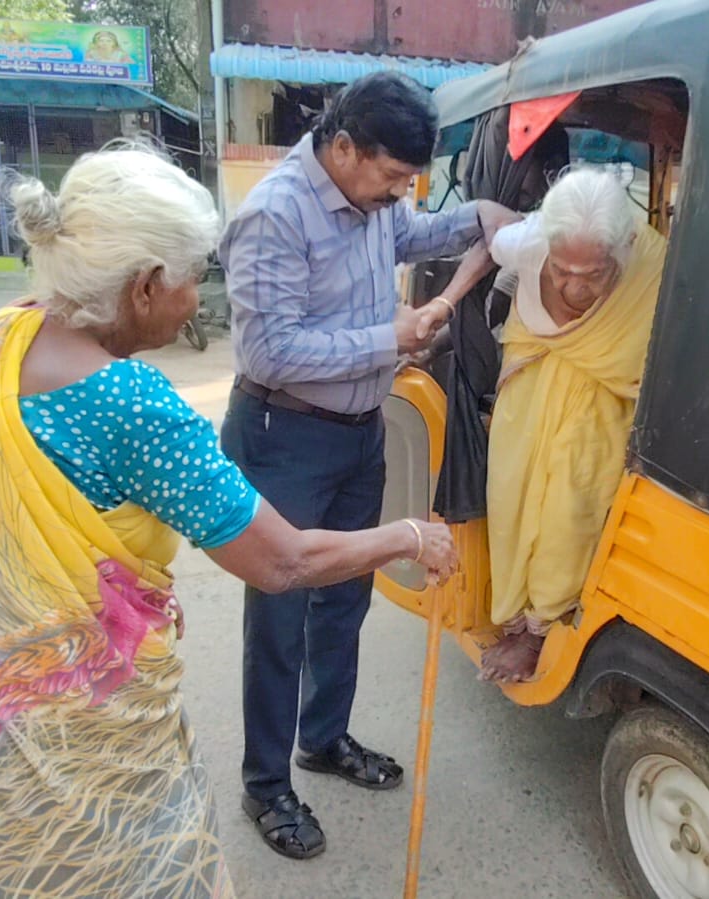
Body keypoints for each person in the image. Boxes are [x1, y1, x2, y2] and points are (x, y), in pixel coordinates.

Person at [0, 141, 457, 896]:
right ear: (146, 286)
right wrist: (408, 536)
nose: (199, 297)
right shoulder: (128, 403)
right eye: (194, 277)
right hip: (73, 728)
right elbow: (282, 561)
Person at [219, 70, 516, 858]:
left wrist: (481, 219)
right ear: (344, 147)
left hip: (357, 430)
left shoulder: (374, 201)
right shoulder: (275, 214)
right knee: (280, 609)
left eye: (407, 180)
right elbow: (269, 351)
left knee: (344, 595)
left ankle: (322, 738)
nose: (396, 194)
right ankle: (265, 784)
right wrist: (392, 338)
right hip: (285, 431)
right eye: (390, 176)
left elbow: (415, 234)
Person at [479, 168, 668, 683]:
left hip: (598, 408)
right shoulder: (524, 242)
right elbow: (491, 237)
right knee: (510, 497)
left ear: (623, 250)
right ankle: (513, 619)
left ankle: (542, 629)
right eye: (562, 270)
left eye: (594, 274)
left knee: (569, 510)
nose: (575, 286)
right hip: (526, 395)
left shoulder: (651, 263)